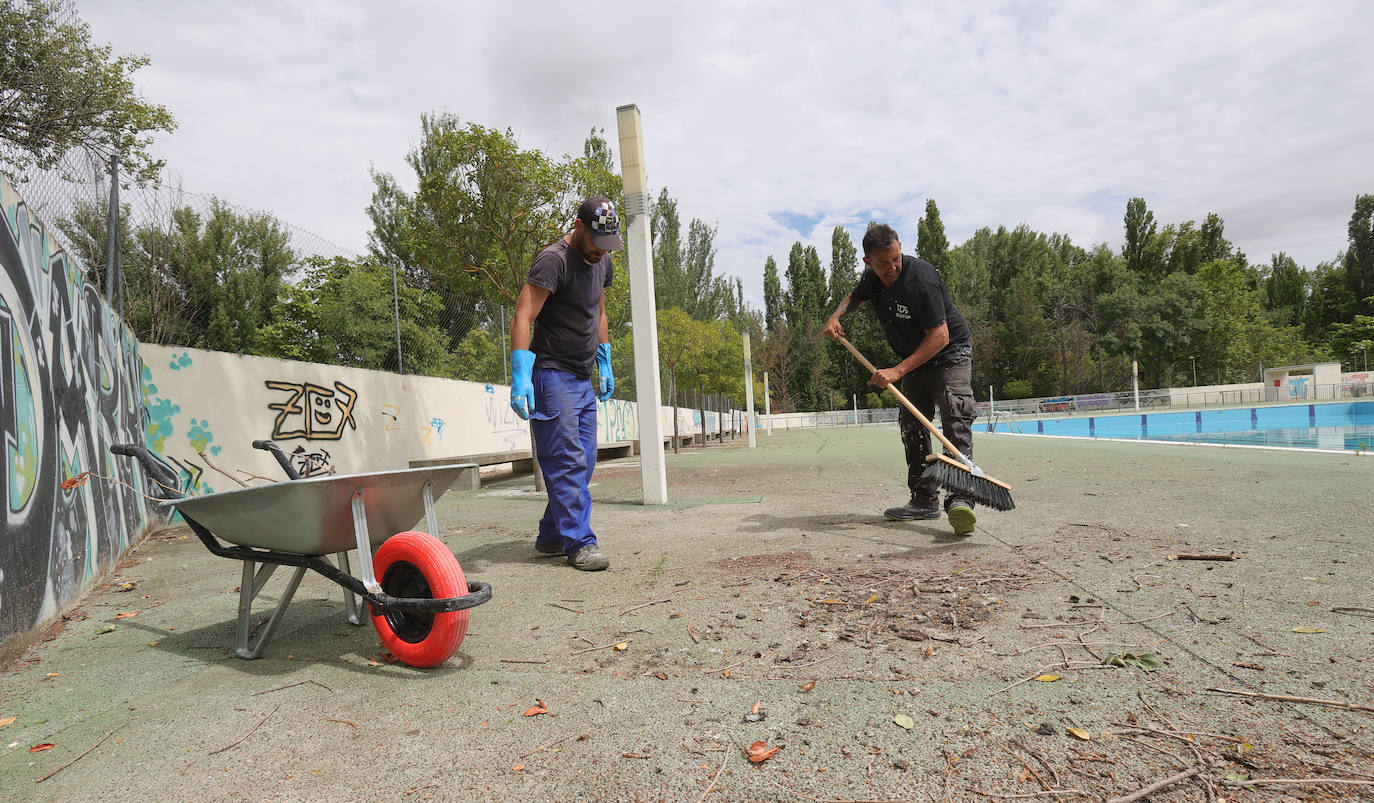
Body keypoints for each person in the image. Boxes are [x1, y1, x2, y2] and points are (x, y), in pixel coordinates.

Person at [823, 223, 979, 536]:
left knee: (955, 416)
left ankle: (960, 498)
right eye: (884, 263)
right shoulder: (872, 279)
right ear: (869, 262)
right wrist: (837, 316)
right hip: (914, 358)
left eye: (896, 258)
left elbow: (940, 335)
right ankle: (923, 500)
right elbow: (855, 297)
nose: (893, 266)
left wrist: (897, 370)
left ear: (899, 248)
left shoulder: (921, 277)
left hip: (949, 353)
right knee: (912, 423)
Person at [509, 195, 622, 571]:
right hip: (551, 373)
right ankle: (580, 542)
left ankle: (552, 534)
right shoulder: (553, 259)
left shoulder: (601, 260)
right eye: (596, 243)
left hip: (582, 376)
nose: (600, 253)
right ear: (578, 228)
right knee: (566, 460)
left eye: (608, 246)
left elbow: (599, 311)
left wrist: (604, 362)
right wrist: (521, 374)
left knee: (585, 461)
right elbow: (524, 314)